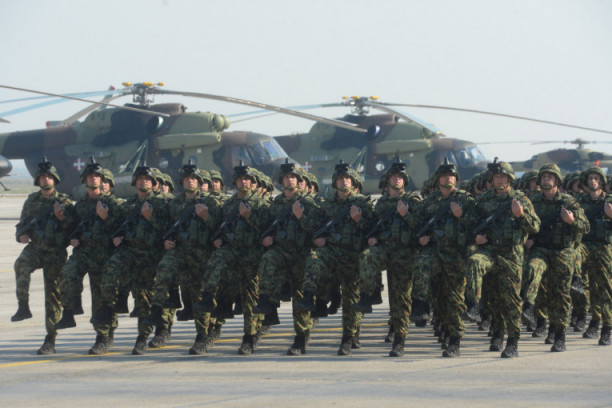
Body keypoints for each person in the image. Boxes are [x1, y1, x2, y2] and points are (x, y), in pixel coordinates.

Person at [296, 161, 374, 355]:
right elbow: (315, 227)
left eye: (347, 178)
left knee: (351, 299)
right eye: (340, 179)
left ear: (353, 181)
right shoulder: (327, 204)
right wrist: (314, 237)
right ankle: (309, 296)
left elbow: (373, 231)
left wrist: (359, 220)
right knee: (314, 257)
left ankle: (348, 337)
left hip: (353, 257)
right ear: (335, 182)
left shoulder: (362, 203)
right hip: (332, 253)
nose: (344, 181)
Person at [91, 164, 169, 355]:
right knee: (109, 269)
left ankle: (142, 337)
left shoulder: (162, 203)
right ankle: (108, 307)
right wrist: (112, 227)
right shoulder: (128, 205)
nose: (144, 182)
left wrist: (151, 218)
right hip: (130, 250)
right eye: (140, 179)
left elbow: (169, 230)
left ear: (154, 182)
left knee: (143, 297)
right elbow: (117, 226)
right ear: (135, 182)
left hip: (150, 254)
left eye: (148, 179)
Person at [467, 159, 539, 358]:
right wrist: (475, 237)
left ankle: (513, 341)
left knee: (511, 299)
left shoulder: (520, 199)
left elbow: (535, 226)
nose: (499, 179)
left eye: (503, 176)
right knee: (486, 285)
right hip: (490, 250)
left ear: (509, 178)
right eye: (496, 176)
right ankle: (475, 307)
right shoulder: (484, 200)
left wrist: (521, 215)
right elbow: (469, 225)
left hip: (511, 253)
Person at [147, 163, 221, 355]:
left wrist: (206, 217)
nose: (190, 181)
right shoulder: (174, 203)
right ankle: (157, 310)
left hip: (201, 254)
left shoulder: (210, 202)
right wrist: (165, 241)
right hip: (180, 251)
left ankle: (202, 336)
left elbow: (219, 230)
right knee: (163, 269)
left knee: (198, 295)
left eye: (193, 178)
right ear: (182, 182)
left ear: (199, 181)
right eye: (187, 179)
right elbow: (165, 226)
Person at [195, 162, 269, 355]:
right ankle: (208, 297)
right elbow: (218, 227)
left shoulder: (261, 203)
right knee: (216, 258)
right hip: (231, 252)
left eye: (247, 179)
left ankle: (249, 338)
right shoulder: (228, 205)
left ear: (253, 182)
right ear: (235, 182)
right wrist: (213, 230)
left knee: (250, 298)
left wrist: (249, 216)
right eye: (240, 179)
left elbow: (267, 231)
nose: (244, 182)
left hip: (252, 255)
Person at [54, 159, 122, 355]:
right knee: (67, 273)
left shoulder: (113, 204)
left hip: (105, 255)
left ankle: (104, 337)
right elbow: (72, 228)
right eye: (90, 176)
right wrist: (68, 229)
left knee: (101, 297)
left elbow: (122, 230)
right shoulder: (81, 205)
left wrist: (105, 217)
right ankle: (70, 311)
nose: (94, 179)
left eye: (97, 176)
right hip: (84, 253)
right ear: (84, 180)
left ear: (102, 180)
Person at [354, 161, 421, 357]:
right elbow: (373, 226)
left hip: (405, 254)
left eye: (400, 177)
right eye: (393, 177)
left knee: (400, 300)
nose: (397, 179)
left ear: (405, 181)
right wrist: (370, 236)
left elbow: (421, 228)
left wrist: (406, 215)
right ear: (388, 181)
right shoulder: (382, 203)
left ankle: (399, 340)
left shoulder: (413, 201)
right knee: (367, 256)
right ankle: (368, 294)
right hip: (385, 250)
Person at [252, 160, 320, 355]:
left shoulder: (308, 203)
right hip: (282, 252)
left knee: (300, 298)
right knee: (268, 259)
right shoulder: (276, 204)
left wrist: (301, 217)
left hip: (302, 255)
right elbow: (266, 228)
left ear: (298, 180)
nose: (290, 180)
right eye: (286, 177)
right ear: (281, 181)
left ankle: (301, 338)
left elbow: (317, 230)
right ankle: (266, 301)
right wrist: (265, 240)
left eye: (293, 177)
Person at [411, 158, 475, 357]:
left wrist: (461, 215)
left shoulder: (466, 200)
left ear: (456, 179)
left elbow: (476, 226)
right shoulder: (430, 201)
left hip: (456, 255)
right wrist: (420, 239)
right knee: (421, 265)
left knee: (454, 300)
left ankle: (454, 340)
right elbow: (416, 225)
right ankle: (420, 304)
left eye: (451, 176)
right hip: (435, 251)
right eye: (444, 176)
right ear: (437, 180)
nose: (448, 178)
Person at [12, 157, 72, 354]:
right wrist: (21, 235)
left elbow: (73, 229)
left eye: (49, 176)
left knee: (53, 296)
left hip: (55, 251)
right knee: (20, 264)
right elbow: (22, 224)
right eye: (42, 177)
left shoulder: (64, 201)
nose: (46, 179)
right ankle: (23, 306)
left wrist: (61, 217)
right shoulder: (31, 201)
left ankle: (50, 339)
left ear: (55, 179)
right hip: (36, 248)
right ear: (38, 180)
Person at [577, 167, 612, 346]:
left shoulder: (609, 201)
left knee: (604, 288)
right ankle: (595, 320)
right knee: (589, 286)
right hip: (586, 246)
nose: (593, 181)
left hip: (605, 248)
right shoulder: (580, 202)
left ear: (601, 182)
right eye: (590, 178)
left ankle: (607, 327)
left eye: (596, 178)